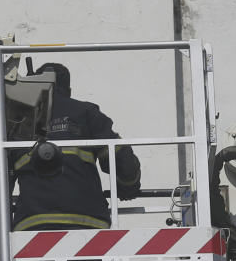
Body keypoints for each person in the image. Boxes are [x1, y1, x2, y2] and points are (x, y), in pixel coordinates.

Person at [11, 63, 142, 231]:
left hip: (32, 223)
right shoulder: (86, 112)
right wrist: (128, 187)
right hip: (87, 221)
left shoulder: (18, 122)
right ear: (69, 90)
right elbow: (121, 159)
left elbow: (0, 176)